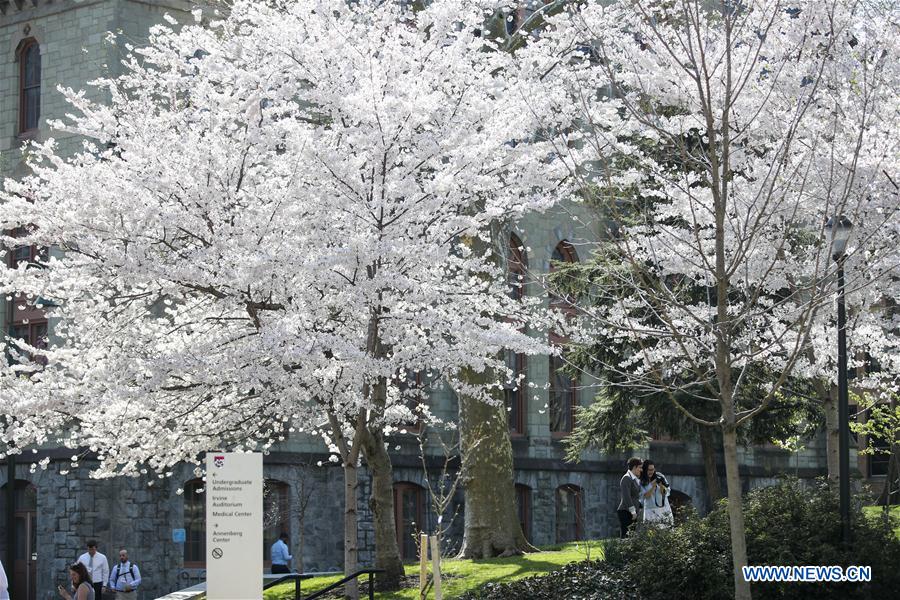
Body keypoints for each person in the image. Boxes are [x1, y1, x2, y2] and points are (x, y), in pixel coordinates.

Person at [640, 459, 674, 527]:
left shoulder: (659, 476)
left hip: (664, 508)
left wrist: (661, 485)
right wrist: (652, 486)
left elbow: (667, 493)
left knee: (666, 530)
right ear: (644, 470)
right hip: (650, 510)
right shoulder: (641, 480)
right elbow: (645, 496)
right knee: (651, 531)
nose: (651, 472)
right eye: (649, 470)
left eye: (652, 469)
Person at [616, 457, 643, 538]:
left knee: (631, 537)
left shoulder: (634, 479)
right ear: (634, 467)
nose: (641, 470)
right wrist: (633, 512)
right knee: (626, 536)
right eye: (640, 467)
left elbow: (636, 496)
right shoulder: (626, 478)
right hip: (625, 512)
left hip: (632, 512)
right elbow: (626, 496)